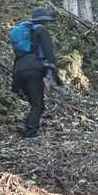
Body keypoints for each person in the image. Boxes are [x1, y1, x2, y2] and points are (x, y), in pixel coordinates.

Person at [10, 8, 60, 139]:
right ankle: (29, 131)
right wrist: (53, 75)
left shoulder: (23, 32)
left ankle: (27, 125)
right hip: (34, 70)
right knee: (38, 104)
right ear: (44, 21)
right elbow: (49, 54)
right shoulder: (41, 31)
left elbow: (18, 55)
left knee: (34, 103)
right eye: (47, 21)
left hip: (19, 70)